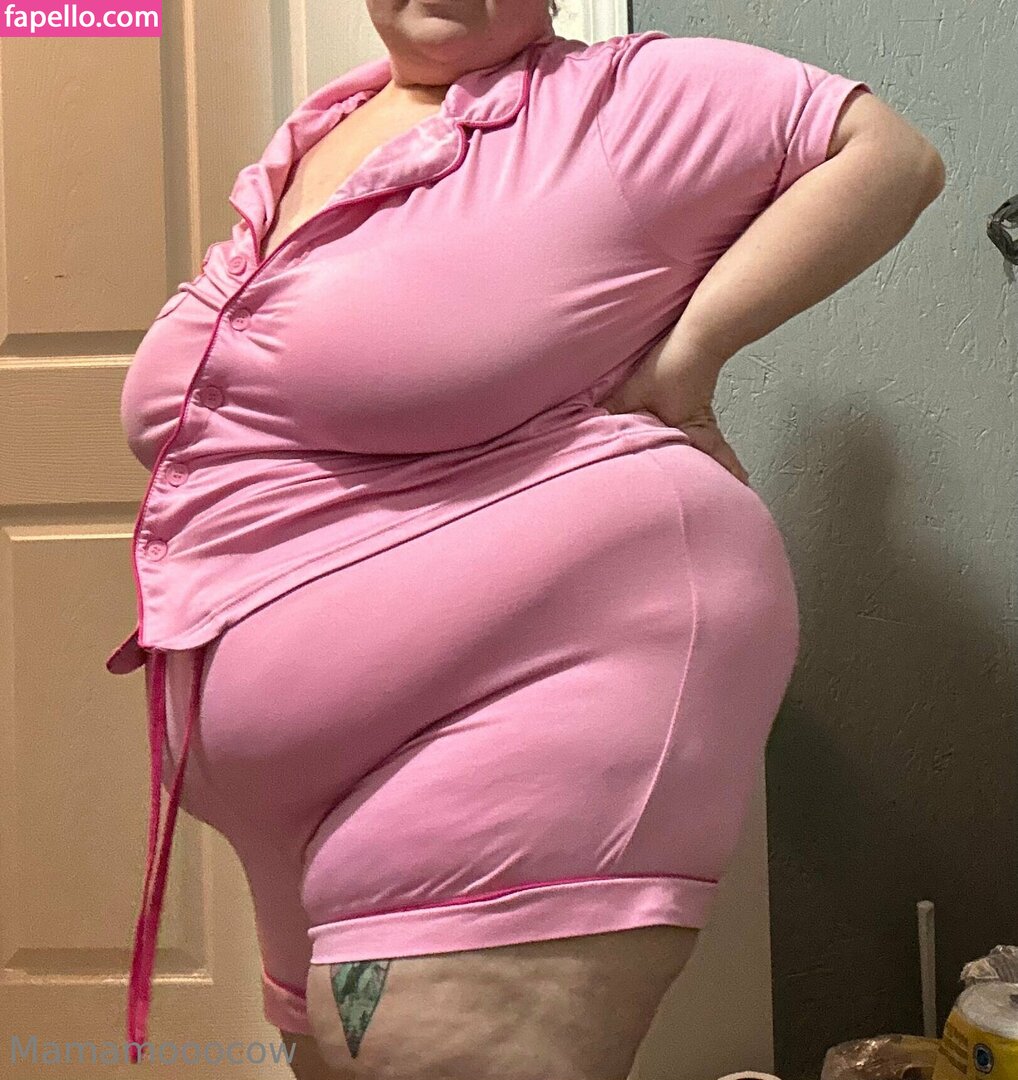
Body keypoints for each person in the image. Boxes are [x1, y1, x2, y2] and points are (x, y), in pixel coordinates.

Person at [106, 0, 945, 1075]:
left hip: (540, 675)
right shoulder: (329, 124)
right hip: (304, 781)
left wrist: (687, 357)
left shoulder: (625, 98)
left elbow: (889, 157)